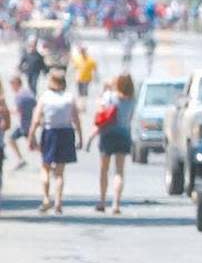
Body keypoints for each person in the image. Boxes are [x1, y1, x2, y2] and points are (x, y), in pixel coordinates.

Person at [27, 69, 82, 214]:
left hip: (50, 132)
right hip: (66, 132)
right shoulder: (69, 98)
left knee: (45, 167)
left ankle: (46, 198)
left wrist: (31, 136)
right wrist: (80, 137)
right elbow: (76, 119)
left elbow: (36, 118)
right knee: (60, 172)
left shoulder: (45, 97)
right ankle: (58, 202)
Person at [87, 74, 135, 213]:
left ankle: (102, 201)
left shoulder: (109, 96)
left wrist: (106, 88)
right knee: (119, 171)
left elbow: (100, 111)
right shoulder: (132, 100)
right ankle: (116, 203)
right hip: (124, 133)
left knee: (104, 169)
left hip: (107, 134)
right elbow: (130, 118)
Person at [7, 75, 34, 169]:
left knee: (34, 145)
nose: (11, 88)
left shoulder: (20, 95)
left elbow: (19, 111)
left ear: (16, 84)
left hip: (25, 125)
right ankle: (20, 159)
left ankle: (49, 161)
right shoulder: (28, 92)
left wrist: (7, 111)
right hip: (27, 123)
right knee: (10, 139)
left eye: (12, 85)